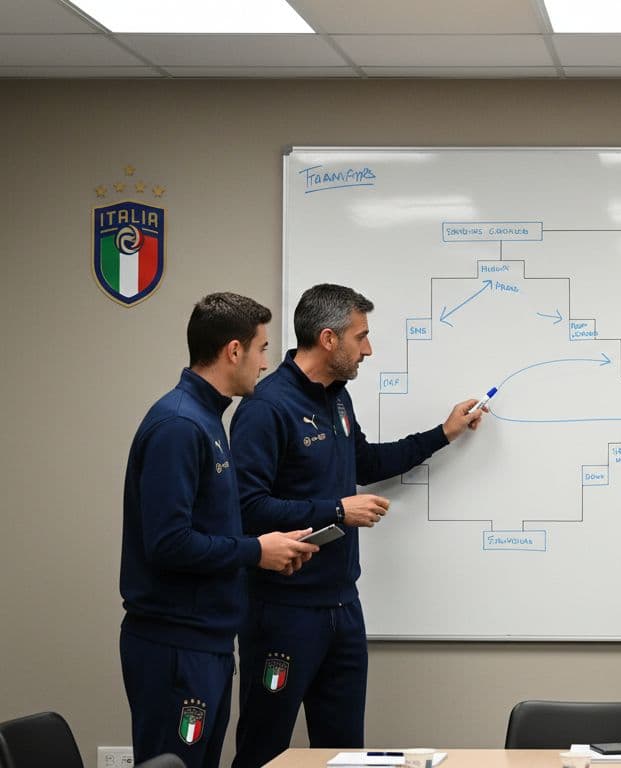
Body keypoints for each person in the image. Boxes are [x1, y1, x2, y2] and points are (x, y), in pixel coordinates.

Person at [229, 283, 485, 768]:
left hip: (343, 608)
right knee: (265, 747)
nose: (368, 349)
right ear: (329, 339)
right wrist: (336, 510)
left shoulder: (338, 398)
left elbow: (364, 461)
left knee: (347, 752)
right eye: (361, 337)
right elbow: (246, 508)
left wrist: (443, 434)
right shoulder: (267, 407)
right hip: (283, 612)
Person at [119, 293, 320, 768]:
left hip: (204, 641)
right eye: (263, 348)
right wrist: (256, 552)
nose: (267, 363)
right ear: (234, 351)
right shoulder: (179, 425)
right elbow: (168, 543)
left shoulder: (207, 417)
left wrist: (266, 549)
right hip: (175, 644)